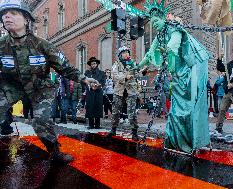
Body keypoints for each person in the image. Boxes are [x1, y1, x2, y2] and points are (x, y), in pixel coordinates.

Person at [0, 0, 95, 163]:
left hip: (40, 88)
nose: (7, 16)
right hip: (12, 87)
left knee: (41, 120)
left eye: (14, 13)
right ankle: (5, 125)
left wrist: (84, 78)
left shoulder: (43, 45)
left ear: (26, 20)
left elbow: (65, 68)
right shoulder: (1, 46)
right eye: (4, 14)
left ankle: (55, 152)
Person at [137, 1, 210, 153]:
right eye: (152, 22)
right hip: (178, 74)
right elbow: (150, 53)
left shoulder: (174, 29)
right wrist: (137, 66)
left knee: (191, 104)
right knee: (177, 107)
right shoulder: (160, 35)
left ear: (164, 18)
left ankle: (193, 140)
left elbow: (173, 46)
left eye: (156, 21)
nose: (154, 24)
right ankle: (177, 140)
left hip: (192, 66)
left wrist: (168, 56)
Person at [107, 46, 140, 141]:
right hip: (119, 91)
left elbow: (137, 74)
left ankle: (134, 132)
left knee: (132, 112)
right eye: (124, 52)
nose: (126, 54)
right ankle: (113, 129)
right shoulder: (116, 64)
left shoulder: (133, 63)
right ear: (120, 55)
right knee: (115, 111)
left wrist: (141, 70)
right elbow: (114, 76)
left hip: (131, 90)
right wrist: (125, 77)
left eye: (127, 52)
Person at [84, 57, 105, 129]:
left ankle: (97, 125)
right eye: (92, 64)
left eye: (95, 63)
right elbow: (84, 81)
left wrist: (98, 86)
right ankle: (91, 124)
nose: (93, 65)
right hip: (90, 92)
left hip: (98, 92)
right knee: (90, 107)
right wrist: (90, 85)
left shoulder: (102, 73)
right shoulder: (87, 72)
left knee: (98, 107)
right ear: (90, 65)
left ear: (97, 64)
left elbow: (103, 82)